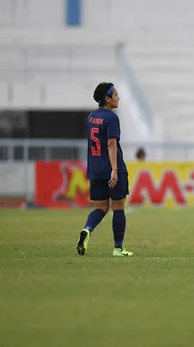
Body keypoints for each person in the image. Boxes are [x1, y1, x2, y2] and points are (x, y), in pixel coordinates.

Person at [77, 82, 133, 257]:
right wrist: (115, 170)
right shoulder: (111, 118)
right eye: (115, 95)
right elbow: (111, 144)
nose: (118, 97)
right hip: (111, 168)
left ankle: (87, 229)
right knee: (118, 207)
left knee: (100, 208)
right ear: (107, 99)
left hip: (95, 169)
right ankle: (118, 248)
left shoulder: (91, 117)